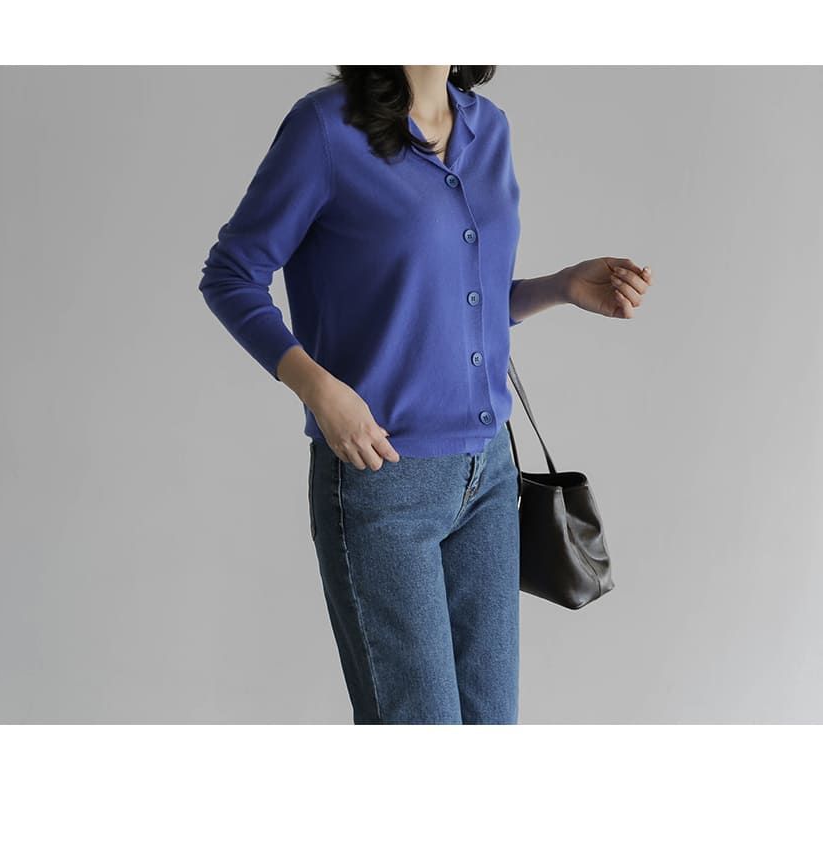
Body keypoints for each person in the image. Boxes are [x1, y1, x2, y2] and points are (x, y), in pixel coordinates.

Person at [198, 65, 653, 724]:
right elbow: (231, 274)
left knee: (491, 723)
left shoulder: (488, 128)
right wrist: (318, 389)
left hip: (490, 476)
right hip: (382, 479)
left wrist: (559, 287)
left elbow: (460, 301)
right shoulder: (326, 128)